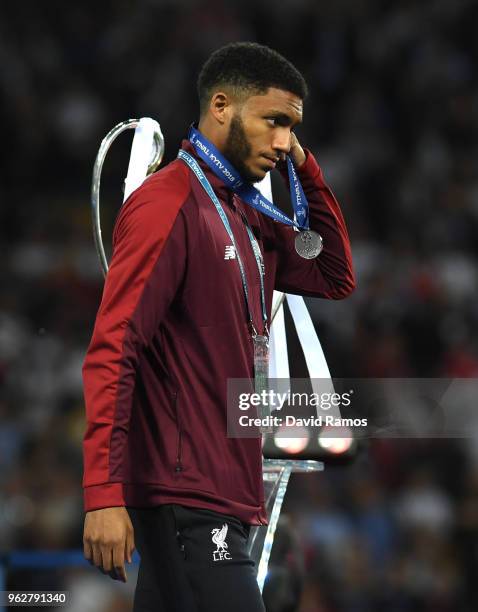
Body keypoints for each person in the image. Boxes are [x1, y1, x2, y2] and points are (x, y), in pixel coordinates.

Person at [82, 41, 355, 612]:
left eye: (293, 128)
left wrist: (305, 164)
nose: (283, 142)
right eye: (273, 122)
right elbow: (114, 349)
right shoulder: (170, 203)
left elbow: (334, 274)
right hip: (188, 497)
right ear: (223, 106)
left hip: (224, 492)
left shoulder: (248, 214)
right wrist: (102, 494)